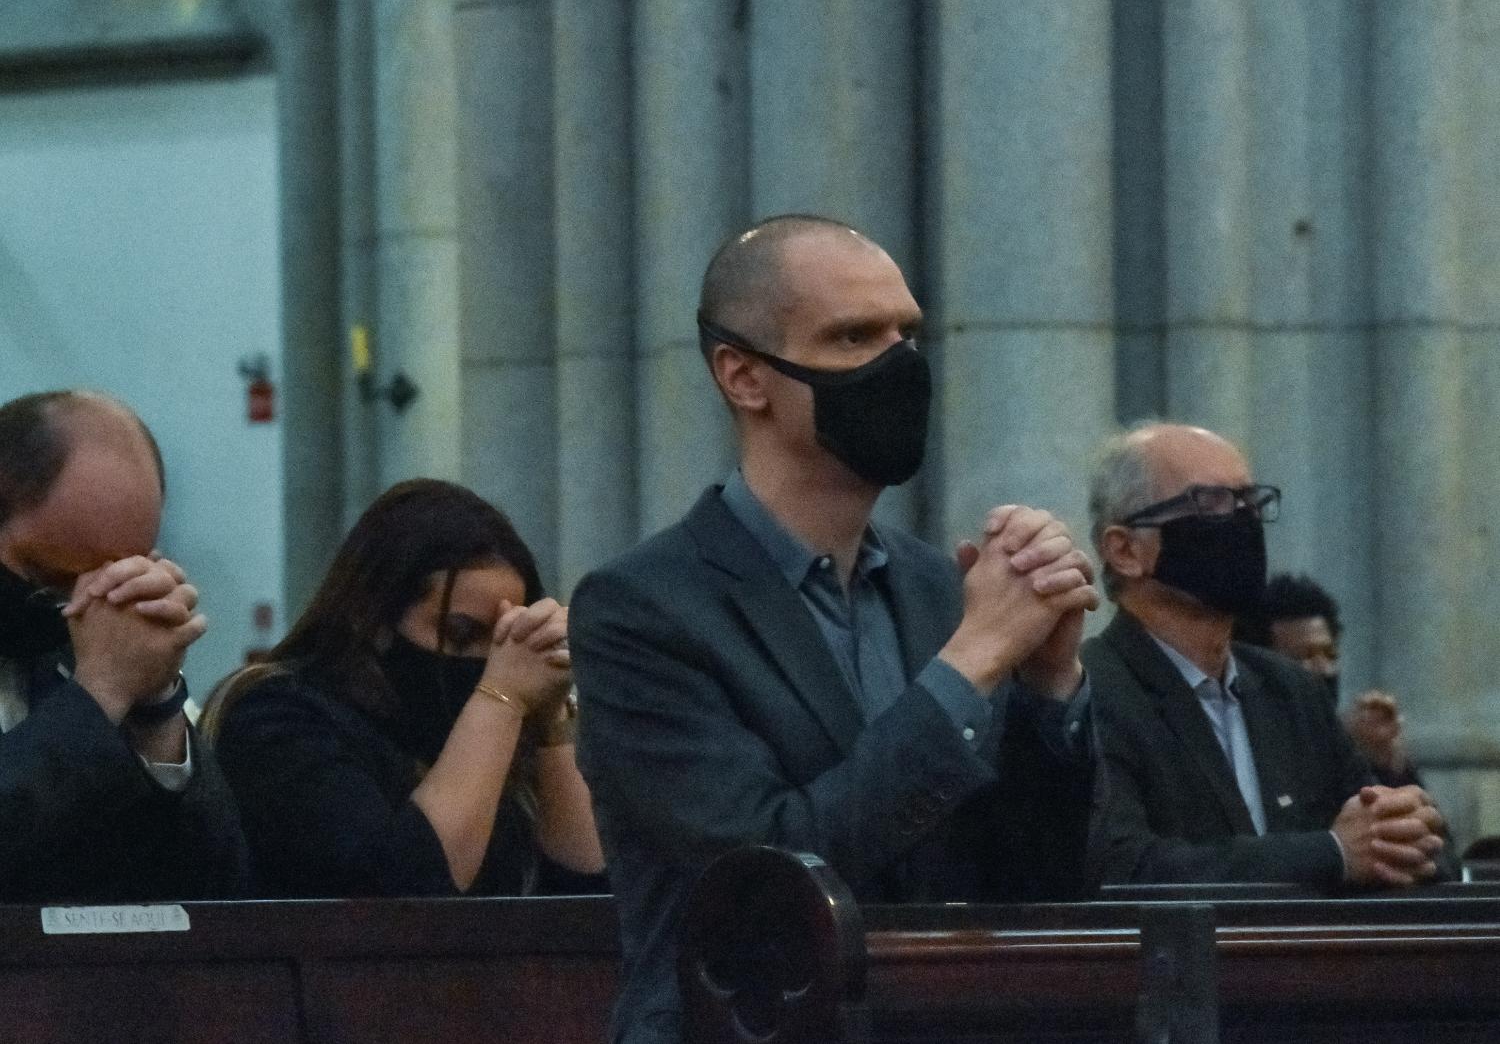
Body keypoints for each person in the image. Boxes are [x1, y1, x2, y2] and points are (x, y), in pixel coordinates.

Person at [570, 214, 1101, 1044]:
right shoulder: (641, 608)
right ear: (745, 376)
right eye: (855, 336)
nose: (898, 364)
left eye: (908, 334)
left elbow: (1031, 877)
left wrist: (1046, 684)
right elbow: (767, 874)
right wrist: (972, 661)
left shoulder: (933, 586)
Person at [1083, 422, 1446, 889]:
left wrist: (1410, 830)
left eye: (1250, 502)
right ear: (1126, 550)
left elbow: (1408, 850)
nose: (1243, 521)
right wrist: (1331, 853)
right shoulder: (1092, 690)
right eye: (1211, 503)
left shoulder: (1291, 691)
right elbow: (1124, 868)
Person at [203, 479, 604, 897]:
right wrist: (500, 697)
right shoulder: (276, 714)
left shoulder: (498, 730)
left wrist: (550, 718)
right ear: (373, 616)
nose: (490, 661)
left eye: (504, 637)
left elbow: (586, 894)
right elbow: (408, 889)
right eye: (461, 634)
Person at [0, 390, 248, 902]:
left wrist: (157, 710)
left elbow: (219, 895)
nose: (87, 607)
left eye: (116, 577)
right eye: (50, 579)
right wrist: (99, 693)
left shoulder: (99, 653)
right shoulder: (100, 675)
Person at [1243, 573, 1423, 789]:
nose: (1325, 669)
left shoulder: (1344, 745)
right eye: (1305, 657)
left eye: (1330, 654)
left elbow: (1413, 819)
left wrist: (1383, 760)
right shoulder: (1247, 748)